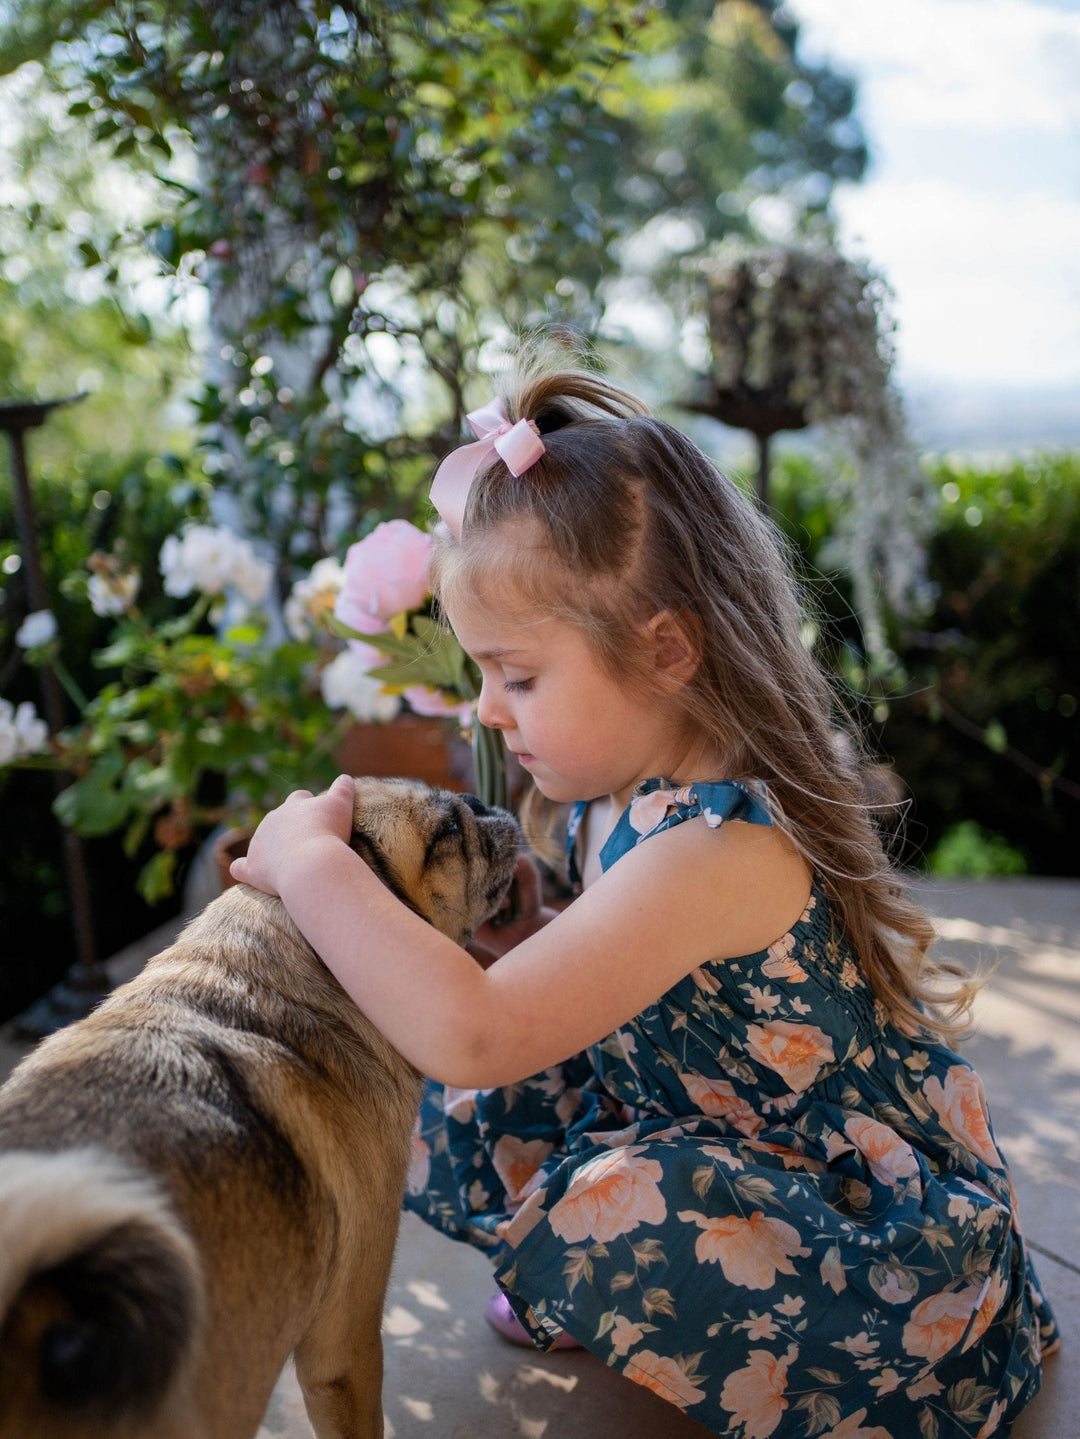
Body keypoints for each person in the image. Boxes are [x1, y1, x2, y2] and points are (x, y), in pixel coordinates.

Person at [231, 342, 1057, 1437]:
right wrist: (539, 923)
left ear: (666, 650)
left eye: (518, 676)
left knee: (606, 1190)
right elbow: (600, 971)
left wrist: (310, 863)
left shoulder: (720, 848)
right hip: (719, 1130)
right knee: (472, 1106)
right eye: (481, 673)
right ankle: (632, 1287)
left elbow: (476, 1032)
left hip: (878, 1256)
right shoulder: (622, 788)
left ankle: (654, 1291)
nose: (487, 708)